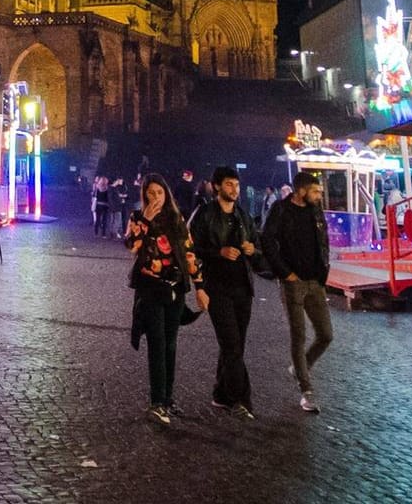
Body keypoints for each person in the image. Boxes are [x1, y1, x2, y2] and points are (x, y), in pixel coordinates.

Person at [126, 173, 206, 425]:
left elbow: (189, 252)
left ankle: (168, 399)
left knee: (170, 345)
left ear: (166, 194)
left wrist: (200, 286)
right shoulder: (137, 219)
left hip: (175, 288)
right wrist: (146, 221)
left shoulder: (176, 218)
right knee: (157, 344)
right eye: (151, 193)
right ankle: (156, 402)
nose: (156, 197)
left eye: (160, 193)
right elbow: (132, 246)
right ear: (144, 195)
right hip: (151, 288)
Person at [189, 166, 259, 418]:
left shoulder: (243, 216)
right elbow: (191, 248)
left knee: (235, 344)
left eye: (237, 185)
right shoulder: (205, 214)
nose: (235, 190)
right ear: (217, 186)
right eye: (229, 185)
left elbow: (257, 246)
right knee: (231, 344)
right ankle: (241, 400)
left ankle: (221, 394)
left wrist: (252, 249)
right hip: (217, 287)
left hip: (243, 287)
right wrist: (218, 253)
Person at [261, 172, 332, 412]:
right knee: (298, 336)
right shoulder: (280, 210)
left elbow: (324, 241)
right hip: (293, 283)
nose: (319, 195)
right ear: (301, 191)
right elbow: (267, 241)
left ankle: (300, 367)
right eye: (315, 191)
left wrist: (324, 273)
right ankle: (306, 390)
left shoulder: (315, 210)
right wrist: (285, 273)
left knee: (326, 335)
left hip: (316, 281)